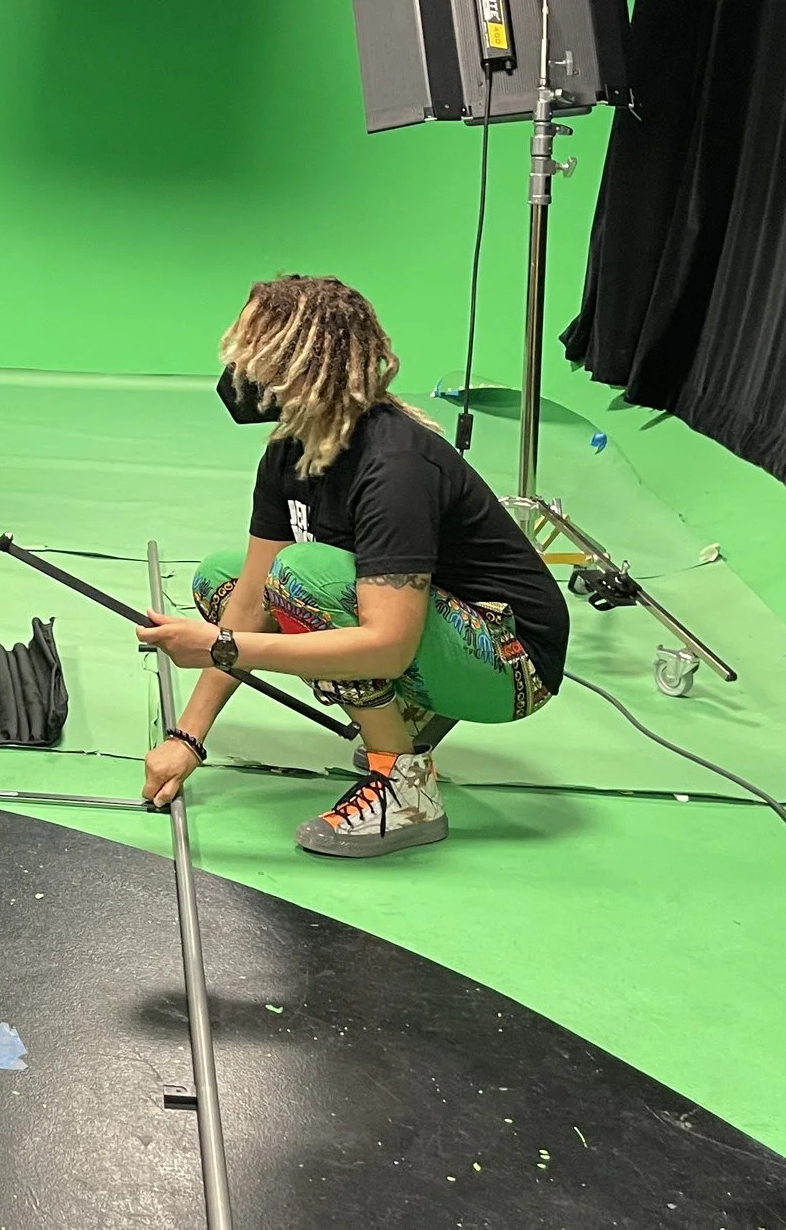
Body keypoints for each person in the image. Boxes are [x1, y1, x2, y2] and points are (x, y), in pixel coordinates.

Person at [138, 275, 566, 857]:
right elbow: (244, 603)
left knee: (305, 580)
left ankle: (406, 791)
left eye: (253, 352)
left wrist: (222, 648)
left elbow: (386, 646)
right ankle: (412, 713)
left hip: (511, 658)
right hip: (432, 625)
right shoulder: (289, 449)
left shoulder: (394, 464)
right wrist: (188, 735)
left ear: (300, 365)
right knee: (222, 578)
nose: (239, 369)